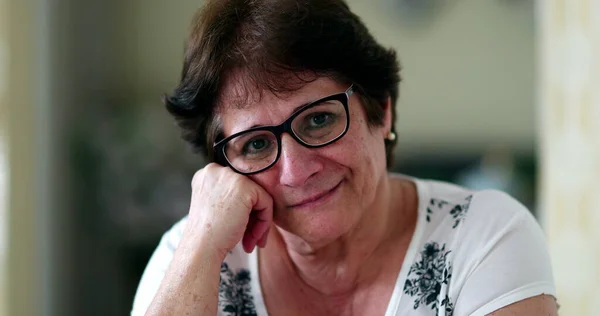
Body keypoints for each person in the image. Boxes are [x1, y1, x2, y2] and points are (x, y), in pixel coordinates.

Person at [131, 0, 557, 315]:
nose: (296, 171)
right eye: (256, 144)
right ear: (224, 168)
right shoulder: (191, 257)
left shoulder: (484, 238)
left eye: (318, 120)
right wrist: (202, 241)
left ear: (381, 109)